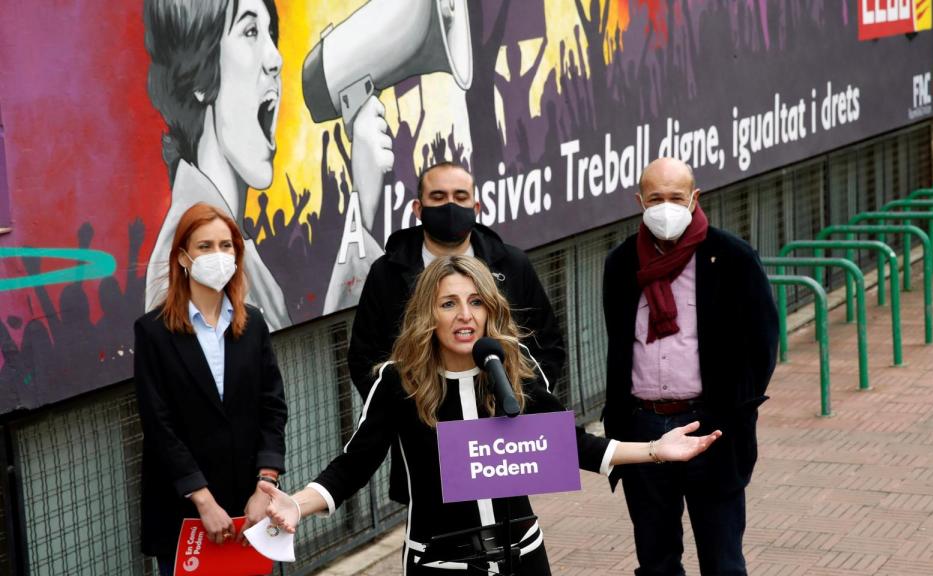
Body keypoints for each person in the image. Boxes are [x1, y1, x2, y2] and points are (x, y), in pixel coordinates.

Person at [256, 254, 719, 574]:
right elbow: (353, 465)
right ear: (427, 314)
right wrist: (296, 503)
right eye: (449, 303)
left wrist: (658, 450)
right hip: (440, 564)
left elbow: (574, 445)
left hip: (523, 557)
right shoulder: (400, 381)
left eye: (476, 302)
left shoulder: (512, 365)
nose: (465, 315)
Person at [347, 161, 566, 503]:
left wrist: (519, 400)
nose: (450, 205)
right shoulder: (387, 274)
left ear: (476, 207)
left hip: (500, 438)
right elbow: (365, 356)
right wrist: (407, 410)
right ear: (418, 208)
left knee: (505, 526)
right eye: (438, 196)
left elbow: (546, 344)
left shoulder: (511, 264)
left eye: (460, 196)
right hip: (425, 434)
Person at [602, 158, 778, 576]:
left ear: (695, 198)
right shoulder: (622, 263)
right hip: (644, 430)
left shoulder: (731, 257)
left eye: (676, 198)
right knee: (656, 561)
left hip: (710, 428)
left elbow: (762, 343)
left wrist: (736, 413)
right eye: (656, 198)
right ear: (640, 202)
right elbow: (618, 344)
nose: (666, 207)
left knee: (723, 563)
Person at [134, 202, 288, 576]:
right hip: (183, 509)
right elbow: (159, 424)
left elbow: (273, 408)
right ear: (184, 257)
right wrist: (202, 500)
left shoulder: (253, 326)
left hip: (249, 504)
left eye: (226, 245)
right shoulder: (153, 332)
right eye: (205, 246)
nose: (217, 255)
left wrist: (264, 486)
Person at [142, 0, 291, 330]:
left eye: (271, 32)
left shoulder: (233, 236)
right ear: (198, 74)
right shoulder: (181, 255)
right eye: (250, 31)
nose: (276, 59)